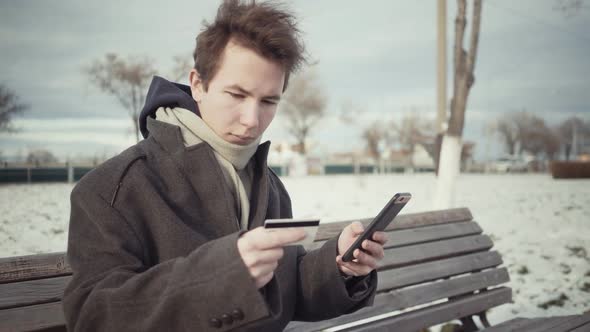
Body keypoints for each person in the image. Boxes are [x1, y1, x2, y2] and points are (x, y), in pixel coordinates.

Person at [63, 1, 388, 331]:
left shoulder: (268, 183)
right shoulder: (111, 189)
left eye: (268, 101)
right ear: (198, 84)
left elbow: (284, 291)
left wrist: (338, 265)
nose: (251, 120)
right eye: (237, 95)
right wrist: (224, 275)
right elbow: (94, 317)